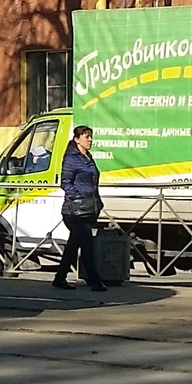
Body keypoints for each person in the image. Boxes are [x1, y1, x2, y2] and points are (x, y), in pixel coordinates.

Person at [53, 124, 107, 292]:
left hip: (89, 209)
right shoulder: (71, 158)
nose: (90, 140)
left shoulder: (88, 157)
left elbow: (93, 182)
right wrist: (78, 198)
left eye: (90, 136)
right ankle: (94, 280)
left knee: (73, 245)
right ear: (77, 139)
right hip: (74, 211)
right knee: (87, 243)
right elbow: (65, 183)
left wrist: (97, 201)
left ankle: (59, 278)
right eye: (86, 136)